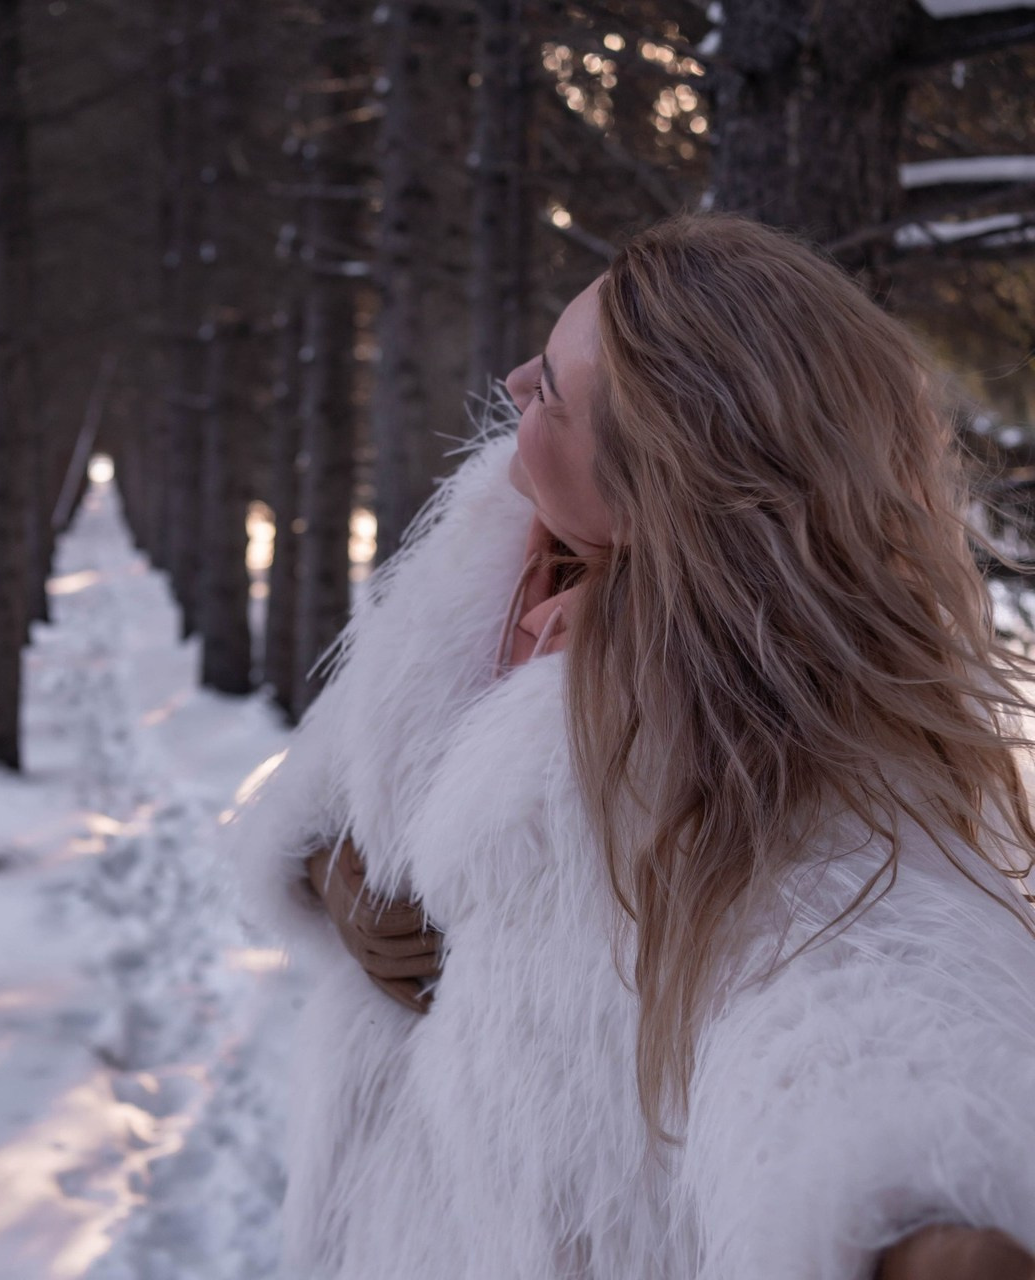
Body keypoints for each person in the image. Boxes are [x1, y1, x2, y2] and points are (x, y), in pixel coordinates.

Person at [226, 212, 1035, 1280]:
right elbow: (322, 777)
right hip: (369, 1216)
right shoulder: (486, 558)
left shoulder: (760, 722)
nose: (515, 382)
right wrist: (332, 871)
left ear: (662, 470)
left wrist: (919, 1228)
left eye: (553, 390)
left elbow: (852, 980)